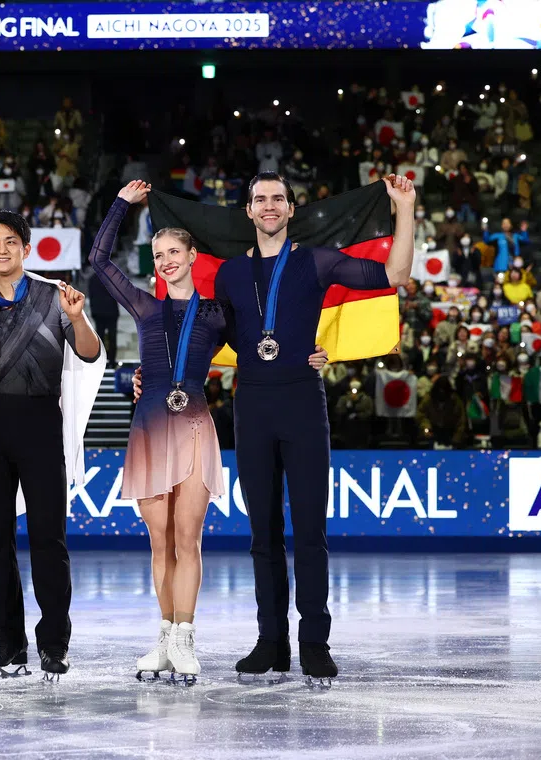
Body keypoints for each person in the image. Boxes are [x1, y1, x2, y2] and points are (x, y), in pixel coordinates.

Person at [102, 182, 328, 680]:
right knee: (159, 543)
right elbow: (100, 260)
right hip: (150, 430)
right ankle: (164, 638)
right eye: (158, 254)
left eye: (174, 252)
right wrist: (120, 205)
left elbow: (263, 336)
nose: (165, 261)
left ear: (192, 256)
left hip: (194, 429)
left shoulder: (215, 312)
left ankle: (185, 638)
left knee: (189, 540)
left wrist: (309, 354)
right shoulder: (143, 307)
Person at [213, 172, 414, 683]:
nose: (269, 206)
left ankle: (313, 642)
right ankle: (270, 641)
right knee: (262, 535)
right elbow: (212, 336)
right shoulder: (231, 275)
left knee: (310, 533)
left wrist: (405, 208)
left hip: (303, 403)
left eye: (278, 198)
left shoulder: (317, 260)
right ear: (249, 211)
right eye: (260, 199)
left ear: (291, 208)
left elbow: (392, 275)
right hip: (252, 406)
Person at [0, 209, 104, 680]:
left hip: (41, 421)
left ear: (26, 248)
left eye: (11, 242)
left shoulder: (54, 297)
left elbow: (90, 351)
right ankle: (8, 640)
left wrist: (78, 319)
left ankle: (54, 642)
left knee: (48, 538)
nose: (2, 249)